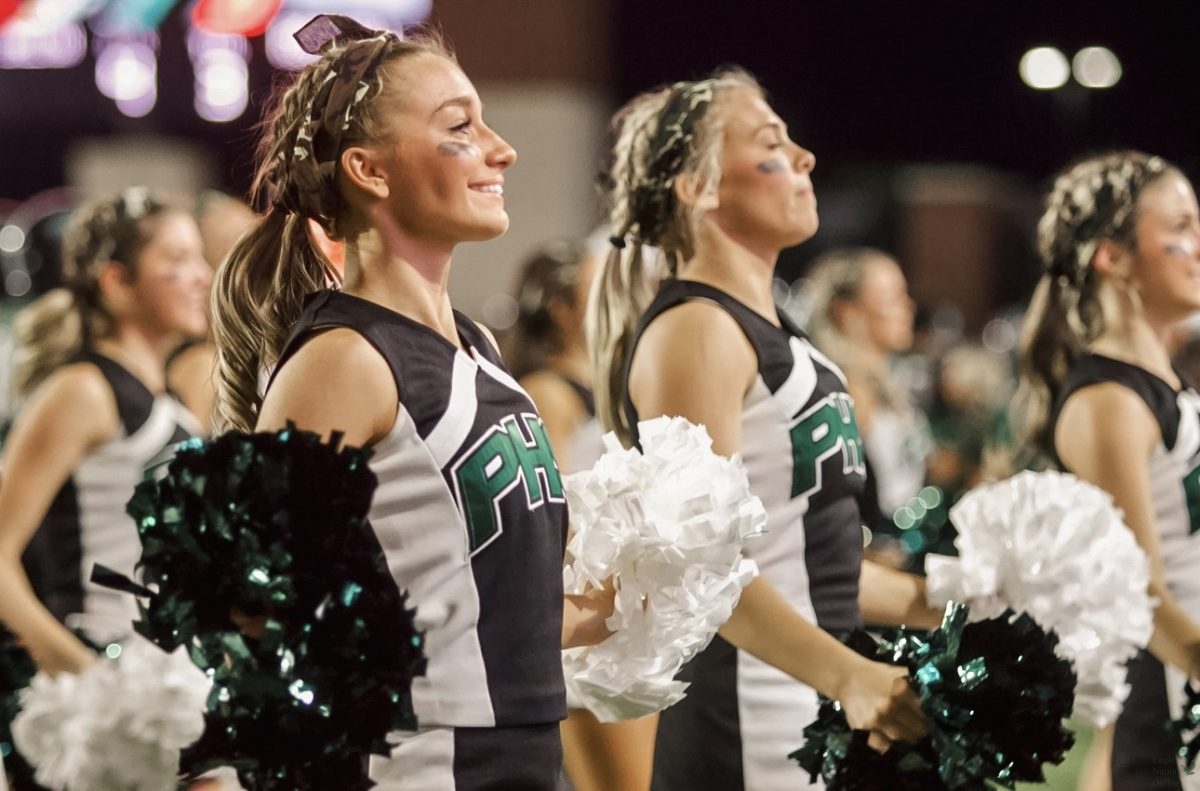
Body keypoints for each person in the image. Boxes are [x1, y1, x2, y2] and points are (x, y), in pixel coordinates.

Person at [210, 15, 613, 789]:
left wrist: (631, 601)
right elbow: (245, 607)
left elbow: (475, 613)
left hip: (521, 756)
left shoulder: (478, 350)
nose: (503, 147)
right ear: (370, 170)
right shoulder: (342, 361)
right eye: (461, 126)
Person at [587, 68, 937, 791]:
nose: (805, 158)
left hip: (814, 702)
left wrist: (943, 596)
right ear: (699, 186)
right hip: (749, 718)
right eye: (771, 144)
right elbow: (697, 567)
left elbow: (805, 558)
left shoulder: (782, 336)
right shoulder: (697, 329)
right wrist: (848, 673)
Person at [1017, 150, 1200, 791]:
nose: (1197, 247)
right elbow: (1141, 594)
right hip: (1172, 702)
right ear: (1113, 255)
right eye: (1179, 229)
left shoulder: (1162, 384)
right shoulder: (1108, 401)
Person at [0, 188, 209, 674]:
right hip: (94, 685)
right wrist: (90, 680)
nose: (203, 276)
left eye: (201, 257)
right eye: (179, 258)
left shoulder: (168, 399)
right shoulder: (83, 390)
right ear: (117, 281)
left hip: (160, 681)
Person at [506, 235, 658, 791]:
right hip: (591, 617)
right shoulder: (548, 392)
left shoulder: (619, 390)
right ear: (563, 310)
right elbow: (551, 516)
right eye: (603, 294)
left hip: (631, 607)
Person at [801, 248, 932, 567]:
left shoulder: (883, 383)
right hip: (881, 567)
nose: (908, 307)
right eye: (893, 297)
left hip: (912, 547)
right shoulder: (848, 395)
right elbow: (822, 506)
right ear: (847, 312)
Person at [165, 191, 259, 434]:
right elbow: (183, 464)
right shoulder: (201, 367)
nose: (261, 254)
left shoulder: (243, 358)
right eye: (238, 243)